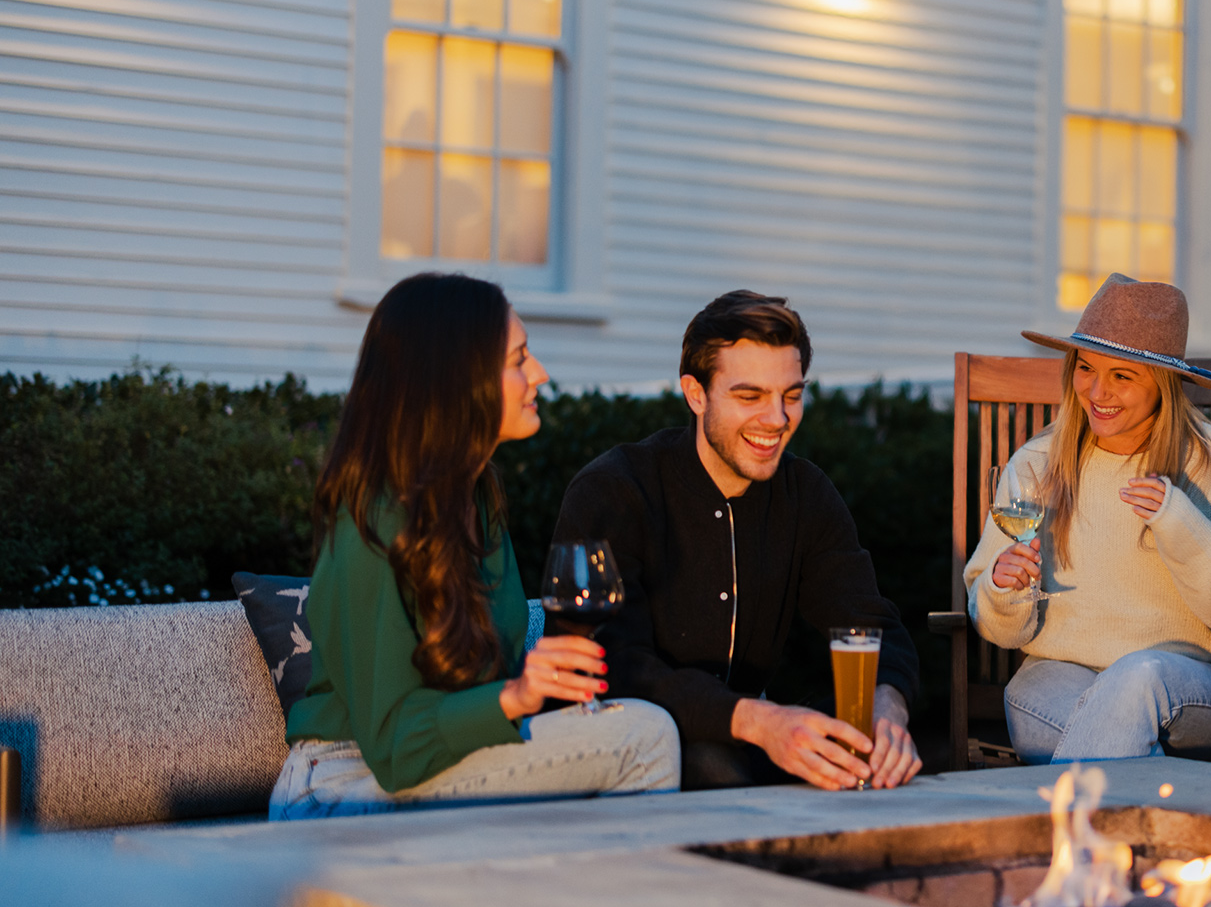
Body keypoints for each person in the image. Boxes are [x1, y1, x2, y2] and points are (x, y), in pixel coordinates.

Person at [271, 274, 680, 820]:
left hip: (444, 766)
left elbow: (479, 688)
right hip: (341, 782)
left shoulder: (475, 498)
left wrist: (537, 684)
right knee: (644, 736)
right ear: (456, 379)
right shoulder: (370, 522)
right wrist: (516, 695)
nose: (540, 374)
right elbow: (394, 745)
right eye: (519, 359)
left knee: (628, 720)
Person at [551, 290, 922, 791]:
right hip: (624, 746)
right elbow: (619, 667)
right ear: (695, 393)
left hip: (743, 741)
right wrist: (762, 722)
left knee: (854, 759)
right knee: (713, 764)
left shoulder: (805, 493)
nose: (777, 419)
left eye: (791, 395)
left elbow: (870, 625)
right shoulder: (616, 490)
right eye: (750, 396)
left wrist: (886, 715)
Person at [962, 273, 1211, 764]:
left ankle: (1074, 834)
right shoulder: (1036, 464)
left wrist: (1179, 521)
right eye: (1086, 368)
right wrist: (1003, 591)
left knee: (1137, 676)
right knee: (1090, 719)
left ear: (1164, 384)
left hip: (1181, 684)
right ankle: (1147, 807)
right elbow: (1002, 630)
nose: (1097, 391)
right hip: (1053, 679)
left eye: (1122, 375)